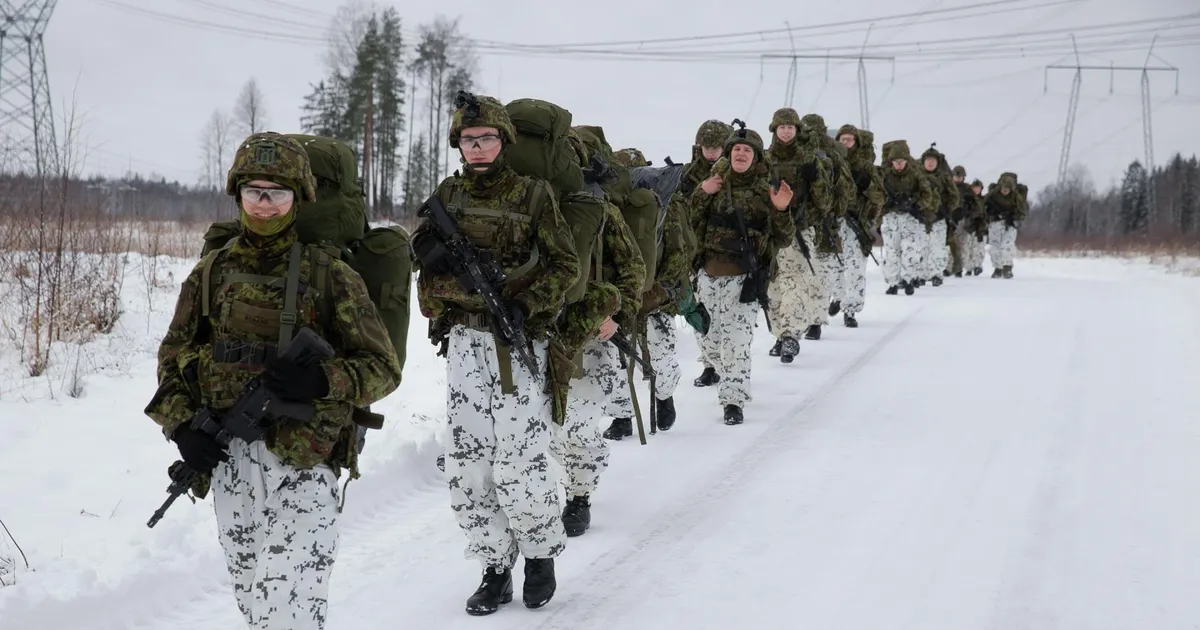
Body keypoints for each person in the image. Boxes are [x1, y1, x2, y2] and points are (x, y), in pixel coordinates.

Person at [145, 132, 402, 630]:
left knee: (289, 607)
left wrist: (322, 380)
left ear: (299, 197)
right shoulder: (211, 273)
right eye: (254, 192)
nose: (264, 206)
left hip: (306, 457)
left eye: (277, 193)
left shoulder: (332, 275)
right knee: (252, 600)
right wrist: (181, 429)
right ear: (238, 194)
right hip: (231, 460)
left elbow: (383, 367)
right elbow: (173, 355)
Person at [410, 92, 580, 615]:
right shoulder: (448, 194)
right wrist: (450, 293)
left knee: (521, 460)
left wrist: (526, 303)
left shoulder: (534, 196)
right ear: (457, 145)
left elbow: (564, 265)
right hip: (463, 345)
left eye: (486, 138)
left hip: (517, 342)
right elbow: (424, 263)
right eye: (468, 139)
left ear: (503, 141)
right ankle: (493, 567)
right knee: (468, 464)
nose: (477, 147)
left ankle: (538, 557)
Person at [550, 191, 645, 537]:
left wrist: (617, 315)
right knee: (544, 425)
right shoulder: (529, 199)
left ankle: (578, 495)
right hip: (536, 330)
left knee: (580, 421)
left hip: (590, 331)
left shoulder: (598, 209)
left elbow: (633, 266)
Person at [689, 122, 794, 424]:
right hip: (707, 275)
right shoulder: (714, 183)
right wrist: (701, 192)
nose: (741, 154)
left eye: (747, 150)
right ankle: (719, 370)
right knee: (708, 338)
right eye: (736, 149)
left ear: (756, 157)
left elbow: (783, 238)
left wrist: (782, 211)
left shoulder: (766, 190)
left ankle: (733, 400)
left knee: (735, 342)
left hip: (744, 279)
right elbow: (687, 223)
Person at [763, 107, 832, 362]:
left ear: (797, 130)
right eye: (782, 127)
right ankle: (780, 334)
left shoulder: (809, 159)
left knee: (796, 281)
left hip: (799, 231)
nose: (786, 131)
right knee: (773, 286)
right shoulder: (764, 158)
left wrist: (815, 181)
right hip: (769, 231)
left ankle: (791, 334)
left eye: (790, 127)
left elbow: (824, 202)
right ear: (774, 129)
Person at [680, 120, 735, 389]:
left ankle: (731, 366)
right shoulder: (689, 175)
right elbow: (682, 213)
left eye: (716, 147)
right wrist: (702, 191)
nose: (711, 151)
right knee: (701, 311)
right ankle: (710, 364)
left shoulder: (737, 170)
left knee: (729, 316)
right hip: (697, 252)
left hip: (729, 254)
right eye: (706, 146)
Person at [799, 114, 856, 339]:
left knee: (820, 274)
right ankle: (803, 322)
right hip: (799, 223)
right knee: (799, 275)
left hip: (824, 223)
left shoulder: (833, 155)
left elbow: (846, 190)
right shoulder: (794, 153)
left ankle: (815, 321)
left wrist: (833, 210)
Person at [835, 124, 885, 327]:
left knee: (855, 266)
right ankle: (837, 298)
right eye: (842, 139)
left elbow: (879, 196)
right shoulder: (830, 162)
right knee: (832, 266)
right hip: (833, 222)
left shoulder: (865, 167)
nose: (845, 142)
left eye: (850, 139)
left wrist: (865, 192)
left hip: (856, 223)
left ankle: (851, 309)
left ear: (856, 142)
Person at [878, 140, 937, 295]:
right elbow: (876, 195)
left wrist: (915, 204)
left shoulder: (916, 174)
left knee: (910, 250)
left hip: (910, 217)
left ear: (906, 161)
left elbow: (927, 195)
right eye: (895, 162)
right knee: (891, 251)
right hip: (891, 217)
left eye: (901, 162)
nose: (898, 165)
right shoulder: (884, 175)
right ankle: (893, 282)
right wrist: (886, 203)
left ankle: (908, 280)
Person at [919, 145, 960, 286]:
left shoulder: (944, 178)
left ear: (938, 163)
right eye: (928, 160)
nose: (930, 163)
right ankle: (921, 275)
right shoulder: (917, 176)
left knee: (937, 248)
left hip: (939, 218)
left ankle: (936, 274)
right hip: (920, 219)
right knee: (921, 247)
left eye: (933, 160)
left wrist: (946, 209)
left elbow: (954, 197)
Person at [985, 172, 1027, 278]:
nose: (1005, 190)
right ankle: (997, 268)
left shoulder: (1017, 198)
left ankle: (1007, 267)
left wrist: (1014, 217)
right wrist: (992, 214)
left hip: (1010, 225)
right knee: (994, 247)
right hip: (994, 223)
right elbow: (983, 207)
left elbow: (1022, 211)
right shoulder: (992, 195)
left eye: (1007, 188)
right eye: (1003, 188)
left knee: (1006, 246)